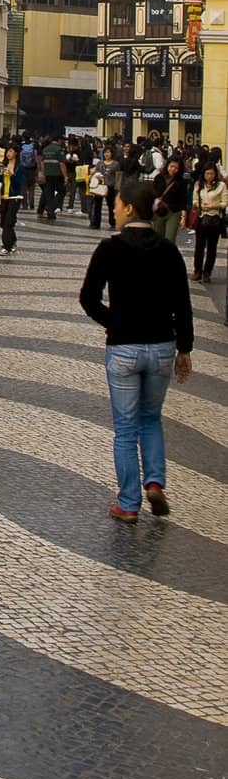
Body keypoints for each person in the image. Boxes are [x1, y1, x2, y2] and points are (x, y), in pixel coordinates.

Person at [79, 177, 194, 522]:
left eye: (116, 204)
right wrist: (184, 348)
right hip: (161, 347)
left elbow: (88, 297)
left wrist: (113, 321)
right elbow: (182, 304)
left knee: (126, 428)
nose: (113, 209)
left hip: (124, 348)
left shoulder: (110, 248)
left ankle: (129, 503)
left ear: (129, 208)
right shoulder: (168, 250)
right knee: (151, 418)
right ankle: (155, 483)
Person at [192, 162, 227, 283]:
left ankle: (207, 272)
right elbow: (195, 200)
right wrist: (200, 205)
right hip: (202, 218)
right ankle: (197, 270)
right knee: (199, 247)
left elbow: (224, 203)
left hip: (215, 219)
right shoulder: (199, 184)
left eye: (212, 173)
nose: (209, 176)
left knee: (212, 248)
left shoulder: (221, 185)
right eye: (207, 173)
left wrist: (213, 206)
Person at [0, 143, 23, 257]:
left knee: (8, 222)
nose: (8, 154)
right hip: (4, 197)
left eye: (11, 151)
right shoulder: (3, 165)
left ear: (16, 153)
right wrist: (1, 174)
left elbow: (19, 184)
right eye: (7, 151)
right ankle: (12, 240)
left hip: (14, 197)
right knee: (3, 223)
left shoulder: (19, 167)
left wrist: (12, 174)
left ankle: (6, 246)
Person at [152, 156, 187, 244]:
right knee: (158, 238)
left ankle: (168, 257)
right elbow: (153, 193)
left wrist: (183, 216)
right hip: (159, 210)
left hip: (174, 212)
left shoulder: (181, 181)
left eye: (176, 168)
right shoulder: (159, 178)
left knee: (170, 239)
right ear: (167, 165)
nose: (173, 169)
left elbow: (183, 199)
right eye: (171, 166)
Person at [88, 146, 120, 231]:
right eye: (105, 152)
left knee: (111, 205)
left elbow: (117, 176)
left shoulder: (116, 164)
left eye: (108, 152)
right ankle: (96, 223)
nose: (107, 154)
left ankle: (112, 221)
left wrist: (117, 187)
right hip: (100, 186)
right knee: (97, 205)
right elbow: (96, 172)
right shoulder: (100, 163)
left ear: (112, 153)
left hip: (110, 186)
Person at [37, 136, 66, 222]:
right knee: (62, 191)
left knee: (49, 193)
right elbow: (62, 164)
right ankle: (51, 207)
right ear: (59, 140)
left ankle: (50, 211)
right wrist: (65, 176)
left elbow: (42, 163)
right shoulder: (59, 150)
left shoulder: (45, 149)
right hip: (57, 174)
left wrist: (43, 173)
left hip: (47, 174)